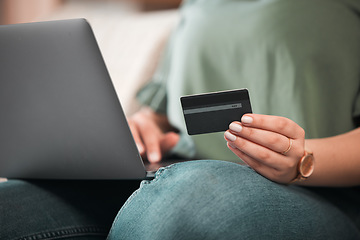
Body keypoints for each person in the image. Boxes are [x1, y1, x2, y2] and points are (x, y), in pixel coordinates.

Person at [1, 0, 360, 239]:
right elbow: (164, 105)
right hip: (173, 172)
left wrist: (301, 160)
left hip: (319, 192)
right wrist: (144, 126)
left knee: (184, 198)